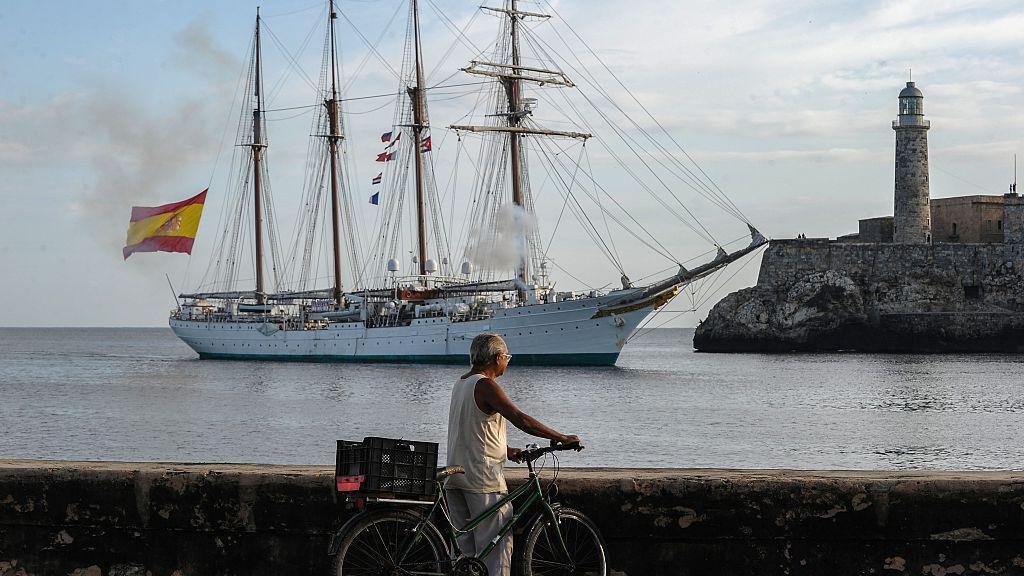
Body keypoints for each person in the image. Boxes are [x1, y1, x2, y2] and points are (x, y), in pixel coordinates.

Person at [445, 333, 581, 576]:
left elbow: (471, 429)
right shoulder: (485, 385)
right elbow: (520, 419)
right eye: (506, 357)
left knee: (466, 556)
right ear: (497, 358)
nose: (507, 362)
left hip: (456, 478)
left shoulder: (461, 383)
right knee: (497, 551)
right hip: (482, 480)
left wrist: (505, 450)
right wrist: (561, 437)